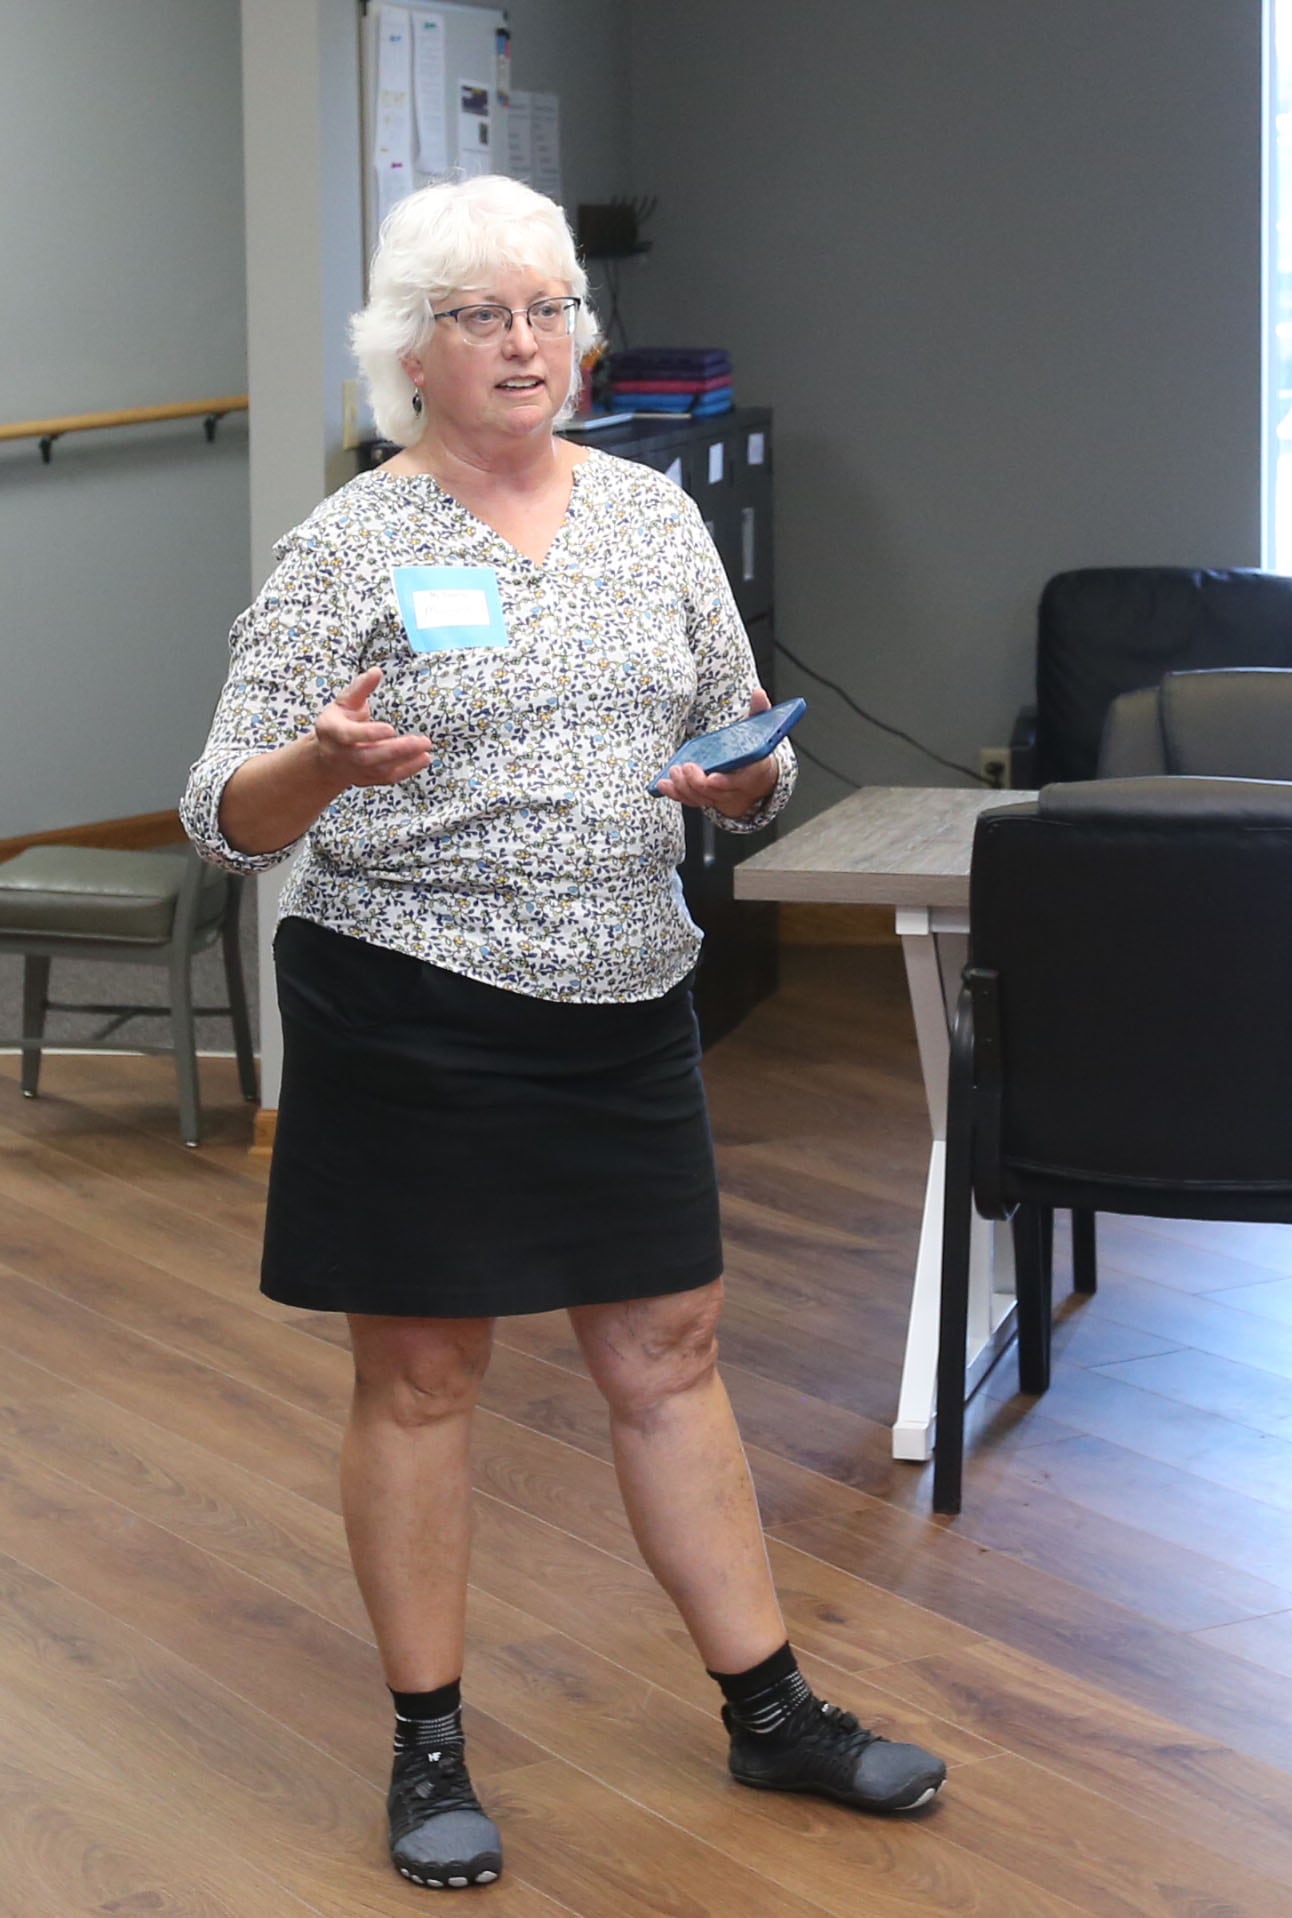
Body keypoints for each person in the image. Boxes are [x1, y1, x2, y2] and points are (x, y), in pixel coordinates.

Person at [180, 176, 942, 1893]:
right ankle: (428, 1744)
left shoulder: (655, 519)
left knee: (668, 1352)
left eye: (546, 309)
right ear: (411, 355)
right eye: (479, 315)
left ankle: (770, 1709)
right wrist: (322, 767)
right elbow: (219, 810)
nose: (525, 343)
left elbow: (749, 740)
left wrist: (747, 775)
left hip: (624, 994)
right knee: (428, 1372)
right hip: (411, 1005)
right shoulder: (352, 543)